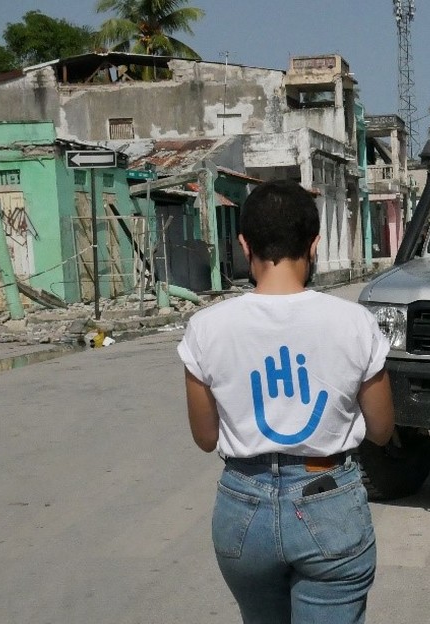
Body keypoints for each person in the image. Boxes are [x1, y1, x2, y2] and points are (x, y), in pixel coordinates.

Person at [177, 180, 395, 624]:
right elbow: (382, 428)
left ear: (243, 244)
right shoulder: (355, 322)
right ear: (314, 245)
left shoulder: (206, 327)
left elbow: (204, 438)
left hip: (243, 508)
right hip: (328, 497)